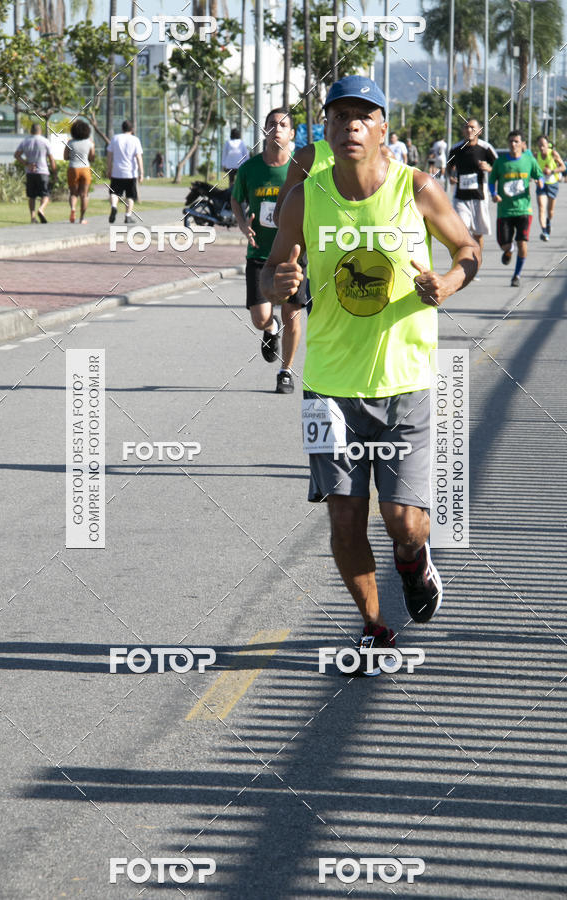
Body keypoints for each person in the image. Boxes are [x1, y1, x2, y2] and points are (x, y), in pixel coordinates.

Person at [260, 75, 480, 672]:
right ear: (326, 131)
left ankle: (414, 560)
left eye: (364, 116)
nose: (352, 125)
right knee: (344, 513)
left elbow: (468, 249)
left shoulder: (418, 189)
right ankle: (375, 626)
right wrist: (278, 282)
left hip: (406, 381)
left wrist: (450, 281)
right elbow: (272, 268)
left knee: (402, 522)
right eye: (340, 116)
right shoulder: (306, 197)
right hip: (329, 386)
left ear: (384, 128)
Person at [231, 108, 307, 394]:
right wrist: (242, 224)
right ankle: (270, 329)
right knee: (260, 317)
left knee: (293, 314)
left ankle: (285, 371)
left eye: (283, 125)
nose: (277, 128)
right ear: (264, 131)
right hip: (260, 255)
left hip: (295, 254)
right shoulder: (250, 169)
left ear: (291, 134)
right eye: (272, 124)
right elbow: (236, 201)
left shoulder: (300, 170)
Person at [489, 130, 544, 287]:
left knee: (522, 243)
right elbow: (492, 181)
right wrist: (493, 194)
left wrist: (541, 182)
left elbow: (539, 175)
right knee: (504, 244)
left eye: (516, 141)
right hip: (504, 211)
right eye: (511, 141)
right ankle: (509, 249)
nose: (513, 144)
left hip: (524, 210)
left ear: (522, 144)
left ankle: (517, 275)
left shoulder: (529, 160)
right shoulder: (500, 162)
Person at [447, 119, 497, 255]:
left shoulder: (485, 148)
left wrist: (489, 168)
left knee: (478, 234)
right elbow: (448, 167)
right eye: (466, 127)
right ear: (463, 130)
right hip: (460, 198)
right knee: (462, 231)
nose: (469, 130)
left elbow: (499, 168)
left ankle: (476, 264)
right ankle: (464, 262)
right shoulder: (456, 149)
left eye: (472, 128)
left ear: (479, 131)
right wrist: (450, 176)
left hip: (479, 197)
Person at [14, 123, 57, 223]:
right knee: (45, 195)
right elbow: (51, 159)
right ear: (40, 131)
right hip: (43, 171)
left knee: (31, 196)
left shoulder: (25, 141)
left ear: (31, 131)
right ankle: (41, 209)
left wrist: (26, 163)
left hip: (30, 172)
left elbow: (17, 155)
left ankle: (33, 217)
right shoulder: (45, 141)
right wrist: (54, 173)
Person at [107, 120, 143, 224]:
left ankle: (114, 206)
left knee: (114, 193)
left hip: (117, 172)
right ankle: (128, 216)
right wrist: (141, 173)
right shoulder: (135, 140)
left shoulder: (115, 138)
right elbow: (138, 157)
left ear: (122, 128)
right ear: (132, 129)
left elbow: (109, 155)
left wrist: (109, 169)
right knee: (130, 196)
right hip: (130, 173)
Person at [64, 119, 95, 225]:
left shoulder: (70, 142)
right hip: (85, 169)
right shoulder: (90, 143)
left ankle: (73, 208)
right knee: (84, 195)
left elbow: (65, 157)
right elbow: (92, 158)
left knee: (73, 194)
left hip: (73, 168)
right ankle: (82, 218)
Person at [535, 134, 565, 241]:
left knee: (550, 210)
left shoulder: (553, 154)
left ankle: (548, 221)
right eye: (539, 145)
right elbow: (532, 169)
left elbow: (563, 167)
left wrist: (551, 171)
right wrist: (535, 178)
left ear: (548, 145)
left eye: (543, 145)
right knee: (541, 208)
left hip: (553, 184)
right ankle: (544, 231)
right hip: (541, 184)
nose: (541, 147)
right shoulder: (536, 155)